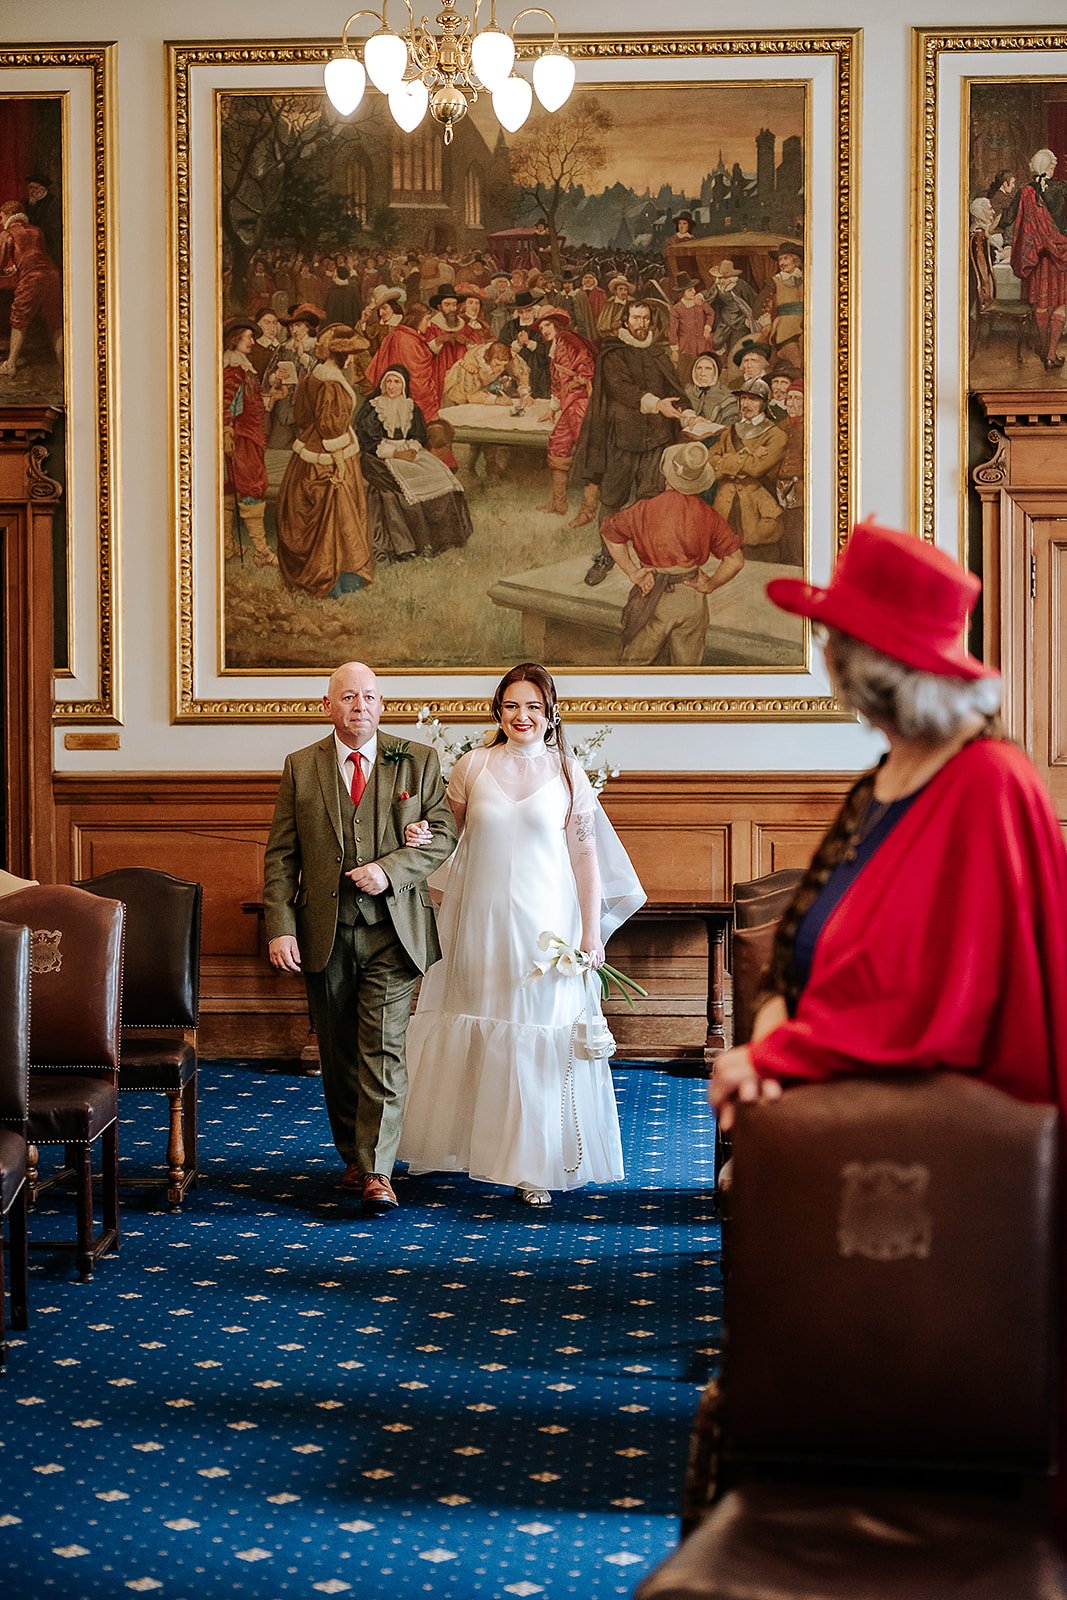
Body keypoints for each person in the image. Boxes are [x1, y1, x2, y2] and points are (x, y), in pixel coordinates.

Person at [709, 519, 1067, 1138]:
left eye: (831, 639)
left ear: (871, 667)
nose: (823, 655)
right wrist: (773, 1057)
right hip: (838, 1106)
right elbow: (798, 947)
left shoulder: (989, 782)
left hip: (944, 1139)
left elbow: (943, 1002)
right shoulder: (881, 780)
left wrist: (777, 1059)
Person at [398, 663, 645, 1206]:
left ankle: (534, 1165)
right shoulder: (471, 765)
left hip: (545, 932)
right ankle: (468, 1147)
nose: (522, 716)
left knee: (538, 1033)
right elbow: (445, 837)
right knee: (480, 1022)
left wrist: (590, 933)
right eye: (512, 705)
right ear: (498, 710)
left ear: (551, 712)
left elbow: (586, 858)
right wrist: (418, 832)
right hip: (479, 925)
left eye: (533, 706)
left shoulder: (568, 773)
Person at [264, 661, 457, 1214]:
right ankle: (352, 1154)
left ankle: (377, 1170)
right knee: (339, 1051)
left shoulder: (416, 761)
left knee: (383, 1047)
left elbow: (442, 834)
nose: (361, 707)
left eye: (370, 697)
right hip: (325, 933)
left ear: (382, 703)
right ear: (328, 705)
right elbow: (281, 856)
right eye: (349, 697)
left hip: (394, 933)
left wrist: (391, 869)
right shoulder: (301, 767)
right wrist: (280, 927)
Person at [601, 440, 744, 665]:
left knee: (634, 666)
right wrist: (710, 584)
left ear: (667, 476)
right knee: (687, 671)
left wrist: (633, 572)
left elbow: (610, 534)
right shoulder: (709, 515)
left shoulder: (643, 509)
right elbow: (735, 561)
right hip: (692, 600)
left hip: (654, 594)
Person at [576, 298, 685, 586]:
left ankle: (650, 559)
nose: (641, 324)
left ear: (651, 321)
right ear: (624, 321)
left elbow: (673, 388)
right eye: (635, 318)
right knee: (612, 500)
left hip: (657, 439)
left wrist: (686, 413)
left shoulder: (657, 352)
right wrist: (657, 404)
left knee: (651, 499)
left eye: (645, 318)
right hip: (622, 439)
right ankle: (605, 557)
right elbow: (621, 389)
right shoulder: (613, 353)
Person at [275, 322, 372, 598]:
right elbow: (331, 427)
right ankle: (334, 578)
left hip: (308, 450)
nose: (353, 359)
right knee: (336, 514)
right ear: (341, 355)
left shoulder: (312, 376)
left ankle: (337, 574)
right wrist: (340, 461)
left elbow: (305, 417)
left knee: (328, 514)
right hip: (330, 456)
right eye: (351, 354)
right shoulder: (332, 383)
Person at [354, 364, 472, 562]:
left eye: (396, 382)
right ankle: (415, 544)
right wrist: (395, 453)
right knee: (402, 488)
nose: (392, 386)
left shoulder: (410, 406)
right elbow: (367, 440)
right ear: (383, 384)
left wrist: (412, 449)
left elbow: (417, 434)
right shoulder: (373, 406)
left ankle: (446, 538)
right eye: (388, 382)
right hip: (379, 456)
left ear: (404, 386)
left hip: (408, 449)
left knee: (440, 475)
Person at [221, 317, 278, 566]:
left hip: (248, 435)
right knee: (250, 487)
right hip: (242, 438)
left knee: (233, 487)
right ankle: (261, 551)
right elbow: (224, 403)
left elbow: (249, 402)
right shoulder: (233, 370)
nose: (253, 342)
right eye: (248, 337)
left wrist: (272, 395)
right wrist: (226, 431)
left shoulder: (243, 367)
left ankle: (227, 547)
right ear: (235, 340)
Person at [1006, 147, 1067, 369]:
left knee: (1041, 305)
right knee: (1060, 304)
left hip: (1037, 258)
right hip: (1060, 257)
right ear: (1051, 167)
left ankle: (1043, 351)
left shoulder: (1025, 191)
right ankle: (1051, 354)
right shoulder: (1061, 188)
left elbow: (1009, 218)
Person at [0, 200, 63, 376]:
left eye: (1, 217)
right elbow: (34, 256)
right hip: (52, 275)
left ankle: (10, 364)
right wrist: (17, 267)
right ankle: (65, 366)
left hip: (31, 279)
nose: (0, 221)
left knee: (19, 318)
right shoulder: (37, 231)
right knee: (55, 321)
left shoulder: (7, 234)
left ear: (9, 215)